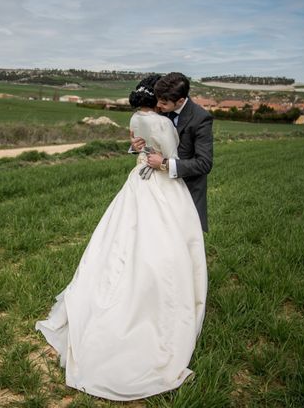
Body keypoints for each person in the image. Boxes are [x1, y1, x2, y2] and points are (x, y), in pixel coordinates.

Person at [35, 75, 207, 401]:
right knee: (158, 248)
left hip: (146, 179)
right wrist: (147, 152)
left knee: (126, 242)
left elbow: (199, 160)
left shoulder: (147, 116)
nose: (161, 102)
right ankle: (153, 303)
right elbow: (162, 148)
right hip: (159, 182)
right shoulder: (160, 120)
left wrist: (149, 153)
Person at [132, 72, 213, 232]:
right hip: (156, 187)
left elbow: (204, 163)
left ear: (180, 101)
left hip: (186, 190)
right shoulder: (163, 105)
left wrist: (164, 163)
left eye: (163, 103)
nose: (158, 106)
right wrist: (137, 146)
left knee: (183, 240)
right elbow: (150, 136)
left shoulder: (201, 118)